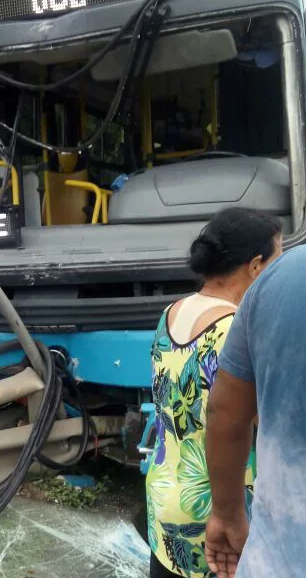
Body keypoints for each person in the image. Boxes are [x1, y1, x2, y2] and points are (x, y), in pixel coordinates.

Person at [146, 207, 282, 578]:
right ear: (256, 266)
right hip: (221, 510)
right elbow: (266, 421)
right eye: (277, 262)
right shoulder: (239, 329)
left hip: (164, 495)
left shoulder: (170, 312)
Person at [205, 244, 306, 578]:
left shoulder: (277, 280)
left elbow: (224, 413)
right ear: (253, 264)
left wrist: (227, 511)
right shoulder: (222, 320)